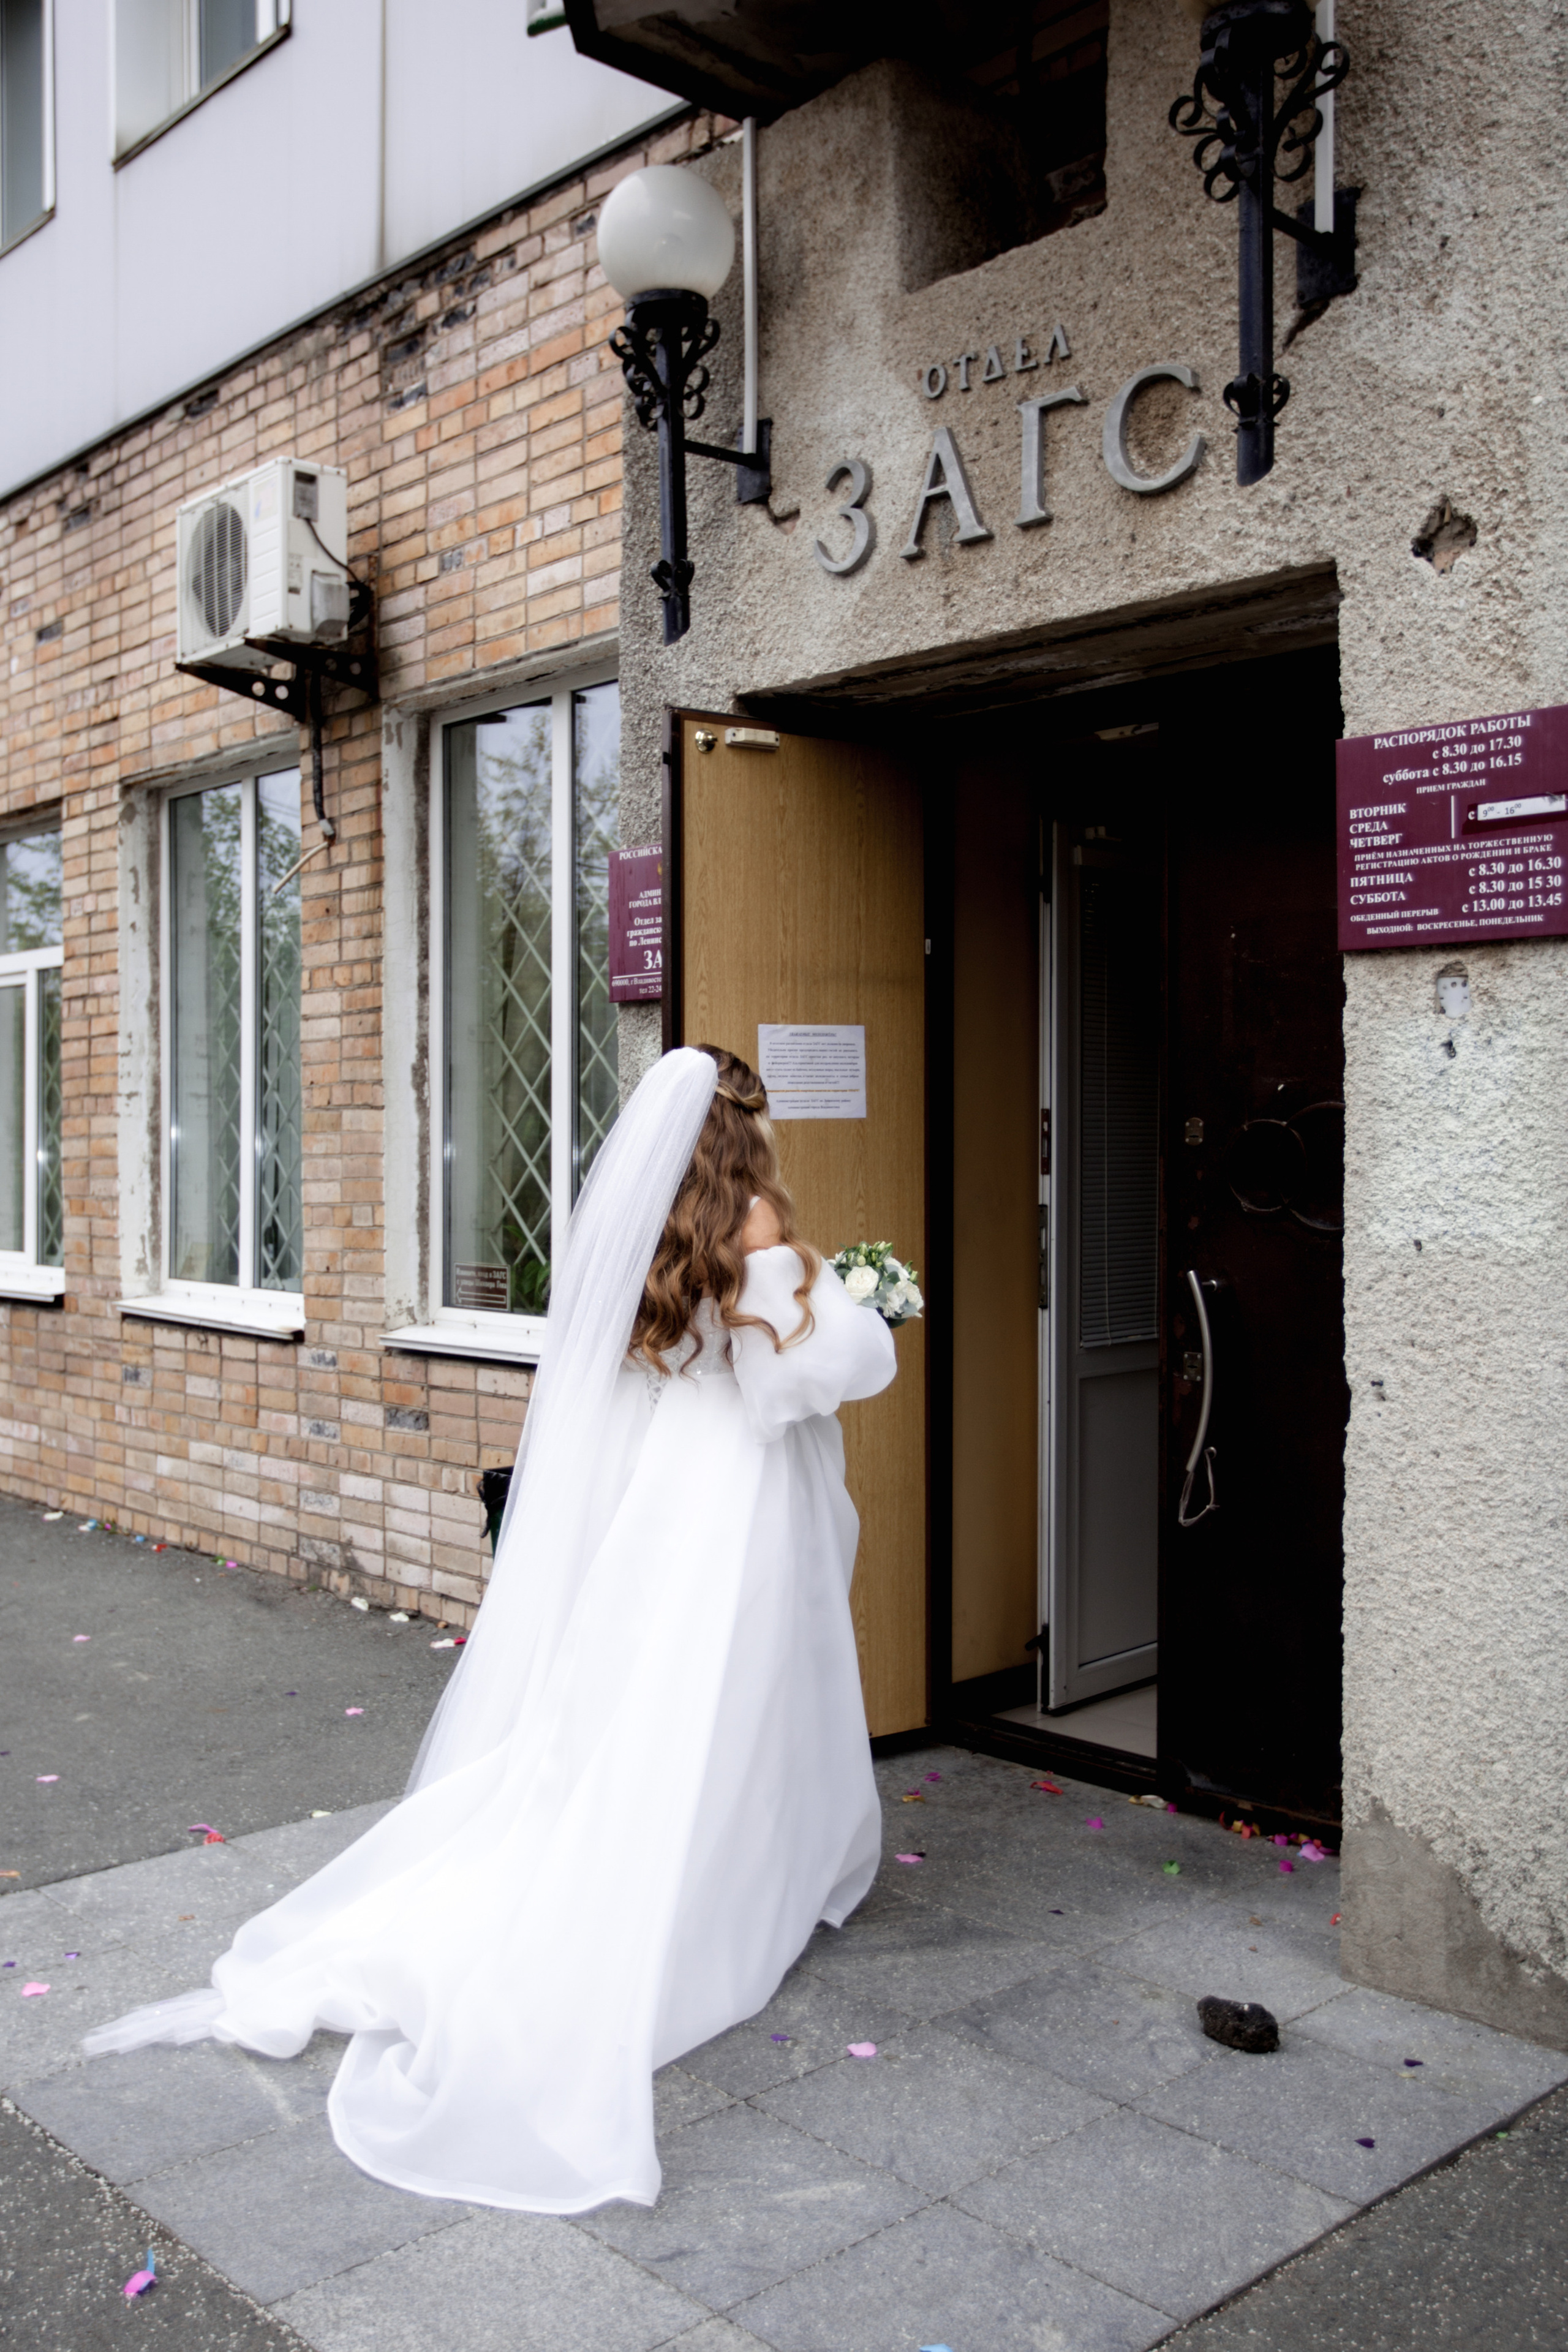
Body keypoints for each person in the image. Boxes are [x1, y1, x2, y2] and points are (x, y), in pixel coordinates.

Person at [85, 1045, 897, 2214]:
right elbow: (781, 1391)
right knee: (741, 1687)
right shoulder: (758, 1222)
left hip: (664, 1490)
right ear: (742, 1133)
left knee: (652, 1695)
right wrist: (856, 1316)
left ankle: (708, 1854)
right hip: (738, 1496)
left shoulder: (651, 1224)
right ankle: (726, 1879)